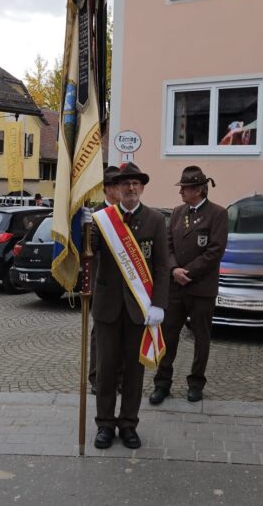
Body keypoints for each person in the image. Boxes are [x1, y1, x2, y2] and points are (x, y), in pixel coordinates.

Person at [85, 163, 168, 450]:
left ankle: (129, 424)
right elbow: (89, 253)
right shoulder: (101, 220)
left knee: (134, 371)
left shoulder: (155, 220)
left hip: (140, 309)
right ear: (117, 189)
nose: (131, 189)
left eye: (136, 184)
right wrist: (80, 226)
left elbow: (161, 266)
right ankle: (105, 424)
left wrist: (158, 304)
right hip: (108, 307)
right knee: (106, 369)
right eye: (125, 184)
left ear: (142, 188)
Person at [150, 166, 228, 405]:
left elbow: (215, 250)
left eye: (184, 188)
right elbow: (167, 245)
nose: (181, 192)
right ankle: (162, 384)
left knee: (201, 338)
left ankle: (196, 384)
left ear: (198, 190)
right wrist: (174, 270)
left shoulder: (217, 214)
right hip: (176, 287)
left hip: (201, 287)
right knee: (168, 336)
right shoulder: (176, 213)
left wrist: (189, 272)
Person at [88, 165, 121, 394]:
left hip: (128, 285)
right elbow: (90, 251)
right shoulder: (95, 215)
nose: (124, 189)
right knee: (99, 335)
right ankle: (96, 378)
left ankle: (119, 378)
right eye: (118, 185)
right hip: (102, 283)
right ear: (108, 189)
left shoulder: (127, 213)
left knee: (123, 335)